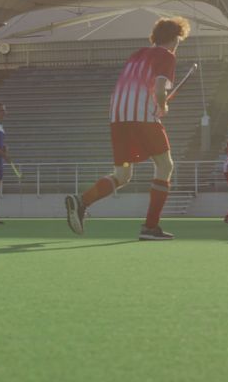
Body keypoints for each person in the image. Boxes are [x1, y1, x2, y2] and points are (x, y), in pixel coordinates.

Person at [65, 17, 190, 241]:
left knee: (122, 174)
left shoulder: (137, 55)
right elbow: (160, 88)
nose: (178, 44)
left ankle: (82, 201)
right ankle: (150, 227)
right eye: (178, 39)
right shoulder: (166, 56)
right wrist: (163, 106)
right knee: (165, 165)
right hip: (142, 118)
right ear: (173, 38)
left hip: (118, 118)